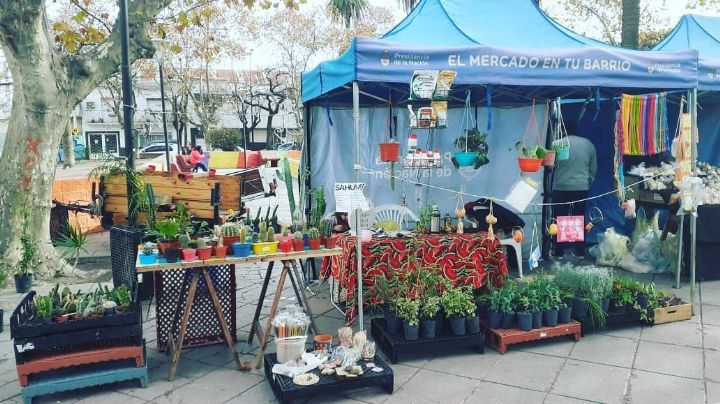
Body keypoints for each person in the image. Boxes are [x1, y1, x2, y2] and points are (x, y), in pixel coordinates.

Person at [551, 120, 597, 259]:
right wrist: (587, 183)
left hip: (561, 187)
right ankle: (579, 252)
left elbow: (550, 166)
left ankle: (559, 252)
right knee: (579, 218)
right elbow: (593, 168)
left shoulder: (557, 144)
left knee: (560, 218)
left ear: (563, 130)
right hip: (581, 187)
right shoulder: (588, 144)